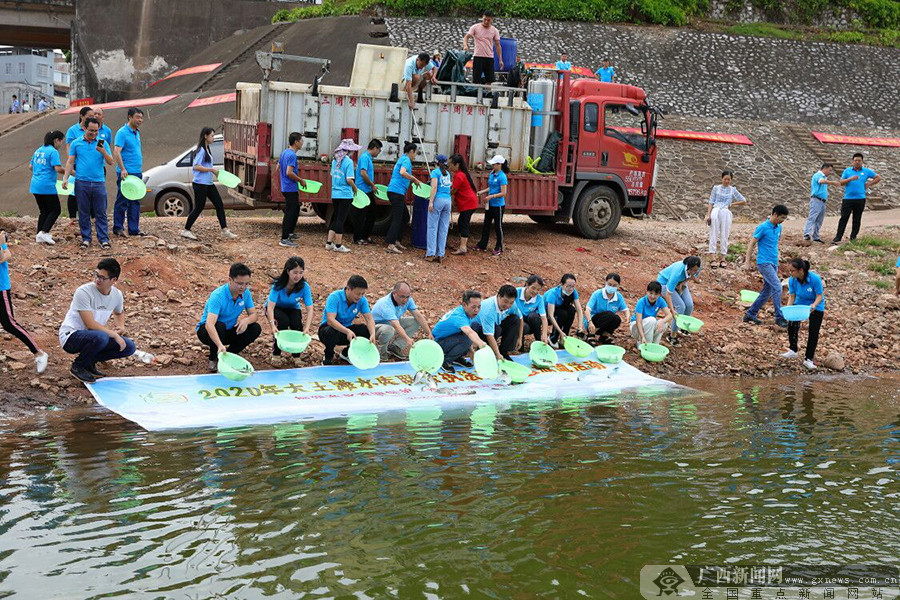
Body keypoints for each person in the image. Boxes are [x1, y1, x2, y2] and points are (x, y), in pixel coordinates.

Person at [59, 258, 135, 382]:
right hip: (71, 336)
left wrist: (121, 326)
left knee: (129, 346)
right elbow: (90, 324)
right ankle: (78, 366)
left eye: (102, 278)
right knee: (101, 337)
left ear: (113, 280)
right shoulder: (83, 292)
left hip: (93, 336)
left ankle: (89, 362)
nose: (97, 280)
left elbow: (119, 312)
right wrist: (114, 335)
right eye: (96, 275)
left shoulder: (116, 295)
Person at [197, 262, 261, 372]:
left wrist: (246, 320)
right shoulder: (218, 296)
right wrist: (219, 345)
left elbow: (254, 315)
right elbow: (209, 324)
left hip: (229, 329)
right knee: (219, 325)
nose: (243, 287)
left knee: (255, 328)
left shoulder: (246, 293)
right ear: (230, 280)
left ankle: (229, 355)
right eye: (240, 283)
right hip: (208, 332)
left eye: (247, 284)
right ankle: (213, 358)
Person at [0, 230, 48, 374]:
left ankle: (39, 353)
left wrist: (1, 243)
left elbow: (3, 257)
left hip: (0, 288)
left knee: (9, 324)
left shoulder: (1, 239)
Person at [62, 117, 113, 250]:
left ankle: (103, 239)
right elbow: (70, 161)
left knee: (100, 212)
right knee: (83, 212)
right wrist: (65, 178)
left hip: (98, 182)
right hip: (81, 182)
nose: (94, 133)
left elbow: (111, 161)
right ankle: (86, 239)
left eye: (96, 131)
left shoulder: (102, 143)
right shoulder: (76, 143)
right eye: (91, 131)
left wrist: (103, 152)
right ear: (84, 128)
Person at [181, 127, 236, 240]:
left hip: (209, 183)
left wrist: (215, 172)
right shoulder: (201, 150)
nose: (213, 138)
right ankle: (186, 230)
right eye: (212, 136)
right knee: (199, 207)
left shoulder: (207, 149)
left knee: (219, 205)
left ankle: (225, 229)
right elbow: (196, 166)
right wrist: (211, 170)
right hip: (200, 184)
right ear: (205, 136)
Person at [743, 204, 789, 327]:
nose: (782, 220)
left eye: (784, 218)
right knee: (778, 287)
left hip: (773, 263)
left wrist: (777, 261)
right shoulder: (763, 227)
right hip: (764, 263)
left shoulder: (778, 228)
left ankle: (750, 314)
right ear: (774, 214)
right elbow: (751, 244)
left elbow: (774, 245)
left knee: (767, 291)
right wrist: (747, 261)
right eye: (781, 217)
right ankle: (779, 317)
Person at [318, 275, 376, 366]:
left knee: (364, 329)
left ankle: (346, 354)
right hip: (328, 330)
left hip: (347, 330)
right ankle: (328, 357)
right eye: (357, 293)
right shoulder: (334, 297)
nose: (360, 296)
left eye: (362, 294)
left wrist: (373, 334)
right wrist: (347, 331)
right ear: (348, 289)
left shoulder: (362, 300)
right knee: (331, 332)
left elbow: (369, 319)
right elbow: (330, 320)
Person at [781, 258, 825, 371]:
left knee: (813, 332)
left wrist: (814, 305)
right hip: (800, 304)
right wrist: (788, 309)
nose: (790, 273)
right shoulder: (792, 280)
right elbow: (792, 296)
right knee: (792, 325)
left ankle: (808, 359)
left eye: (792, 271)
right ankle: (793, 350)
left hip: (816, 306)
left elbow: (819, 296)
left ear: (801, 270)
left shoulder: (815, 279)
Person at [265, 256, 314, 357]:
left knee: (297, 325)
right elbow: (270, 307)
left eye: (301, 272)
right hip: (276, 308)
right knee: (282, 322)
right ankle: (276, 354)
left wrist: (307, 328)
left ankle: (296, 356)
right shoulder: (278, 285)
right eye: (295, 272)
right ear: (288, 271)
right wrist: (272, 325)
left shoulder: (304, 287)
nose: (298, 276)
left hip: (292, 308)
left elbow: (310, 308)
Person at [371, 281, 432, 360]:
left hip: (392, 324)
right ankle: (381, 352)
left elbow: (418, 315)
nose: (405, 300)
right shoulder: (386, 304)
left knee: (415, 321)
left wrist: (429, 332)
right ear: (394, 293)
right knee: (389, 329)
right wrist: (407, 339)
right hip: (376, 328)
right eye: (402, 297)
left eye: (407, 297)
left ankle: (396, 346)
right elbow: (396, 325)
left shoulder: (408, 299)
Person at [432, 290, 487, 373]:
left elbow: (469, 330)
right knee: (467, 339)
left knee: (475, 326)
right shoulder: (459, 316)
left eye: (479, 307)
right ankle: (446, 361)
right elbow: (469, 332)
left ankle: (456, 357)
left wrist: (471, 351)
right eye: (474, 307)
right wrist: (481, 343)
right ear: (464, 305)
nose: (477, 310)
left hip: (448, 339)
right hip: (436, 344)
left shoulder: (466, 312)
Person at [833, 153, 882, 244]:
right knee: (844, 218)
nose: (857, 162)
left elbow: (878, 177)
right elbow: (841, 182)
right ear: (852, 161)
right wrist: (850, 179)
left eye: (859, 160)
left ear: (862, 161)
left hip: (860, 199)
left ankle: (853, 237)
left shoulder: (866, 171)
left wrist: (869, 184)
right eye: (855, 160)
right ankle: (838, 237)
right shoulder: (847, 171)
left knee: (857, 219)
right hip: (848, 199)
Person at [112, 107, 146, 238]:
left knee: (135, 201)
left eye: (141, 118)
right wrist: (122, 169)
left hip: (136, 172)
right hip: (126, 173)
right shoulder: (122, 132)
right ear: (129, 117)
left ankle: (134, 229)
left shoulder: (136, 133)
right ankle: (118, 227)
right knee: (122, 200)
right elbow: (116, 151)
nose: (140, 120)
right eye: (137, 117)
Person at [386, 142, 423, 254]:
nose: (415, 155)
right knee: (397, 218)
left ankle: (397, 240)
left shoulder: (402, 158)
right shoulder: (406, 160)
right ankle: (391, 244)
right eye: (415, 153)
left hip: (396, 192)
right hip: (396, 192)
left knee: (405, 217)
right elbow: (402, 172)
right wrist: (414, 179)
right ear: (411, 151)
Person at [705, 170, 747, 269]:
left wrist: (732, 204)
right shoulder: (716, 188)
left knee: (725, 234)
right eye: (725, 179)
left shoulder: (732, 190)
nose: (726, 181)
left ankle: (723, 258)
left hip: (725, 211)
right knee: (713, 233)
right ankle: (712, 257)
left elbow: (743, 200)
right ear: (722, 178)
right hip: (715, 210)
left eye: (729, 179)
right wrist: (708, 214)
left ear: (731, 180)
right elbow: (711, 201)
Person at [29, 130, 65, 245]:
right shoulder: (53, 151)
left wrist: (39, 172)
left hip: (35, 185)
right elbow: (58, 168)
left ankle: (39, 234)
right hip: (47, 185)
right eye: (61, 142)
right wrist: (72, 172)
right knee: (55, 210)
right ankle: (44, 232)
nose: (61, 144)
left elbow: (30, 166)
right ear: (56, 140)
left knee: (44, 210)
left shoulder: (38, 150)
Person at [326, 138, 360, 253]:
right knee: (341, 219)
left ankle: (329, 243)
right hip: (345, 194)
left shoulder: (335, 161)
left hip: (335, 193)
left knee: (336, 218)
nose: (353, 152)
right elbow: (349, 179)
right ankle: (338, 245)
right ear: (348, 150)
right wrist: (355, 189)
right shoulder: (348, 161)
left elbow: (332, 175)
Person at [657, 256, 701, 345]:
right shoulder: (677, 273)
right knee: (680, 306)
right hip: (664, 284)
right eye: (691, 270)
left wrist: (694, 278)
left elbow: (693, 278)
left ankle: (683, 327)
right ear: (688, 266)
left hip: (681, 283)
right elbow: (668, 294)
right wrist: (672, 311)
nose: (693, 272)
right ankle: (672, 335)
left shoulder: (697, 268)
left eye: (695, 270)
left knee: (689, 305)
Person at [472, 284, 521, 361]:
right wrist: (497, 354)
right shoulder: (489, 309)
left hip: (493, 327)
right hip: (477, 331)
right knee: (497, 329)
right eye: (505, 301)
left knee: (515, 319)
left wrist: (519, 338)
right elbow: (489, 335)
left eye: (511, 302)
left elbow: (520, 318)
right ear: (498, 296)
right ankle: (485, 352)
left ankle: (504, 352)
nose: (508, 305)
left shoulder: (512, 304)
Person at [475, 154, 508, 255]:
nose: (492, 166)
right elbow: (491, 188)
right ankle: (482, 244)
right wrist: (482, 192)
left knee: (498, 226)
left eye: (494, 164)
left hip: (498, 205)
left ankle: (499, 247)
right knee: (486, 225)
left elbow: (503, 193)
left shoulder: (502, 177)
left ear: (499, 165)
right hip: (490, 204)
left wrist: (491, 196)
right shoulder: (492, 173)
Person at [584, 273, 630, 345]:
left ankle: (603, 336)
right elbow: (587, 310)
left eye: (614, 285)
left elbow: (626, 309)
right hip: (592, 322)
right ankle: (591, 335)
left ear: (618, 286)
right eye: (609, 284)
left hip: (605, 322)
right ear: (605, 283)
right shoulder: (597, 294)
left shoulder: (618, 296)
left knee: (616, 319)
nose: (611, 287)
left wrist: (627, 317)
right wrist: (590, 322)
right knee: (610, 314)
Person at [351, 139, 382, 245]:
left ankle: (365, 235)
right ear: (374, 148)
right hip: (362, 190)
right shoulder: (365, 157)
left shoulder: (368, 158)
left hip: (367, 190)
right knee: (360, 215)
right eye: (379, 150)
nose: (379, 152)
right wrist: (372, 185)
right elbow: (363, 174)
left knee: (371, 215)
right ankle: (358, 238)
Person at [463, 10, 503, 86]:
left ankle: (487, 95)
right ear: (482, 18)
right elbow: (466, 37)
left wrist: (500, 59)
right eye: (484, 19)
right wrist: (465, 45)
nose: (486, 22)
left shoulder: (494, 30)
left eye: (488, 20)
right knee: (476, 80)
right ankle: (477, 95)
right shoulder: (475, 27)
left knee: (489, 80)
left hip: (489, 57)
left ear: (492, 20)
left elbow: (498, 45)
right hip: (478, 56)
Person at [278, 132, 303, 247]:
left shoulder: (284, 152)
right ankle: (284, 238)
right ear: (296, 142)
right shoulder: (292, 155)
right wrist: (300, 180)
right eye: (301, 140)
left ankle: (290, 232)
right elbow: (289, 172)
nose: (302, 142)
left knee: (295, 209)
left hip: (286, 186)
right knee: (290, 212)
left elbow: (278, 167)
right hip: (290, 188)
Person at [449, 153, 478, 255]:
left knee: (463, 223)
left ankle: (463, 247)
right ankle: (462, 246)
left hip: (468, 203)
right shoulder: (460, 174)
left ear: (457, 165)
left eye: (451, 164)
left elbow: (453, 191)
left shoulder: (459, 176)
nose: (449, 167)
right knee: (461, 222)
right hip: (470, 202)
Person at [545, 273, 584, 347]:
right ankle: (553, 338)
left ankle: (565, 337)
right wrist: (560, 331)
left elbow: (579, 310)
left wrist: (580, 327)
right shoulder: (552, 294)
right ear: (562, 284)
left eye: (573, 286)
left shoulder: (573, 292)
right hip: (547, 314)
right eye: (568, 286)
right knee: (562, 313)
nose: (571, 289)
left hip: (560, 310)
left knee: (572, 310)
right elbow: (550, 315)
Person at [426, 154, 452, 262]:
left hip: (438, 200)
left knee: (432, 227)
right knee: (443, 229)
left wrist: (431, 202)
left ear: (436, 163)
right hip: (447, 201)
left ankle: (431, 253)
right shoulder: (448, 174)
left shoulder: (435, 172)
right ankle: (441, 254)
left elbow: (434, 187)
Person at [630, 281, 673, 348]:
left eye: (656, 294)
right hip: (636, 327)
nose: (653, 296)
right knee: (651, 320)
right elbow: (638, 322)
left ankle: (655, 345)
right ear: (647, 292)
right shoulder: (641, 302)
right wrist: (643, 337)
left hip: (649, 325)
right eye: (651, 293)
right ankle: (645, 344)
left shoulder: (660, 300)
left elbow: (669, 315)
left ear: (659, 294)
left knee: (664, 323)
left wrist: (662, 322)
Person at [804, 163, 839, 243]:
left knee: (819, 219)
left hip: (822, 201)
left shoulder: (824, 177)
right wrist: (833, 182)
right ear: (825, 169)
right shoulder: (818, 175)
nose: (830, 172)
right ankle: (807, 234)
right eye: (829, 170)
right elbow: (821, 181)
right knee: (812, 217)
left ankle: (816, 236)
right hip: (816, 199)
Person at [515, 274, 548, 351]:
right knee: (521, 324)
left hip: (531, 323)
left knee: (534, 316)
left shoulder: (539, 299)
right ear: (527, 285)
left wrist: (544, 334)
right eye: (533, 288)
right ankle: (520, 347)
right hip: (518, 321)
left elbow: (544, 318)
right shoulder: (516, 292)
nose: (535, 292)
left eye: (538, 289)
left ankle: (539, 342)